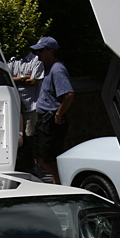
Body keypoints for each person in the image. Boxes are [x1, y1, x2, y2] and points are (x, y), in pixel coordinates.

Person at [31, 36, 74, 185]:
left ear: (51, 51)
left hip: (51, 121)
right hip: (43, 119)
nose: (38, 55)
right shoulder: (48, 69)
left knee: (49, 156)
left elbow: (68, 95)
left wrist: (58, 114)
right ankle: (58, 180)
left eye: (41, 51)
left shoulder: (57, 69)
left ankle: (60, 182)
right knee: (38, 155)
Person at [8, 49, 44, 173]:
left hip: (30, 105)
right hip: (14, 104)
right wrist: (24, 77)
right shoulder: (13, 59)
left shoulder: (35, 60)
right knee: (16, 135)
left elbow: (33, 81)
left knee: (30, 135)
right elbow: (7, 78)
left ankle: (31, 164)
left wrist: (17, 79)